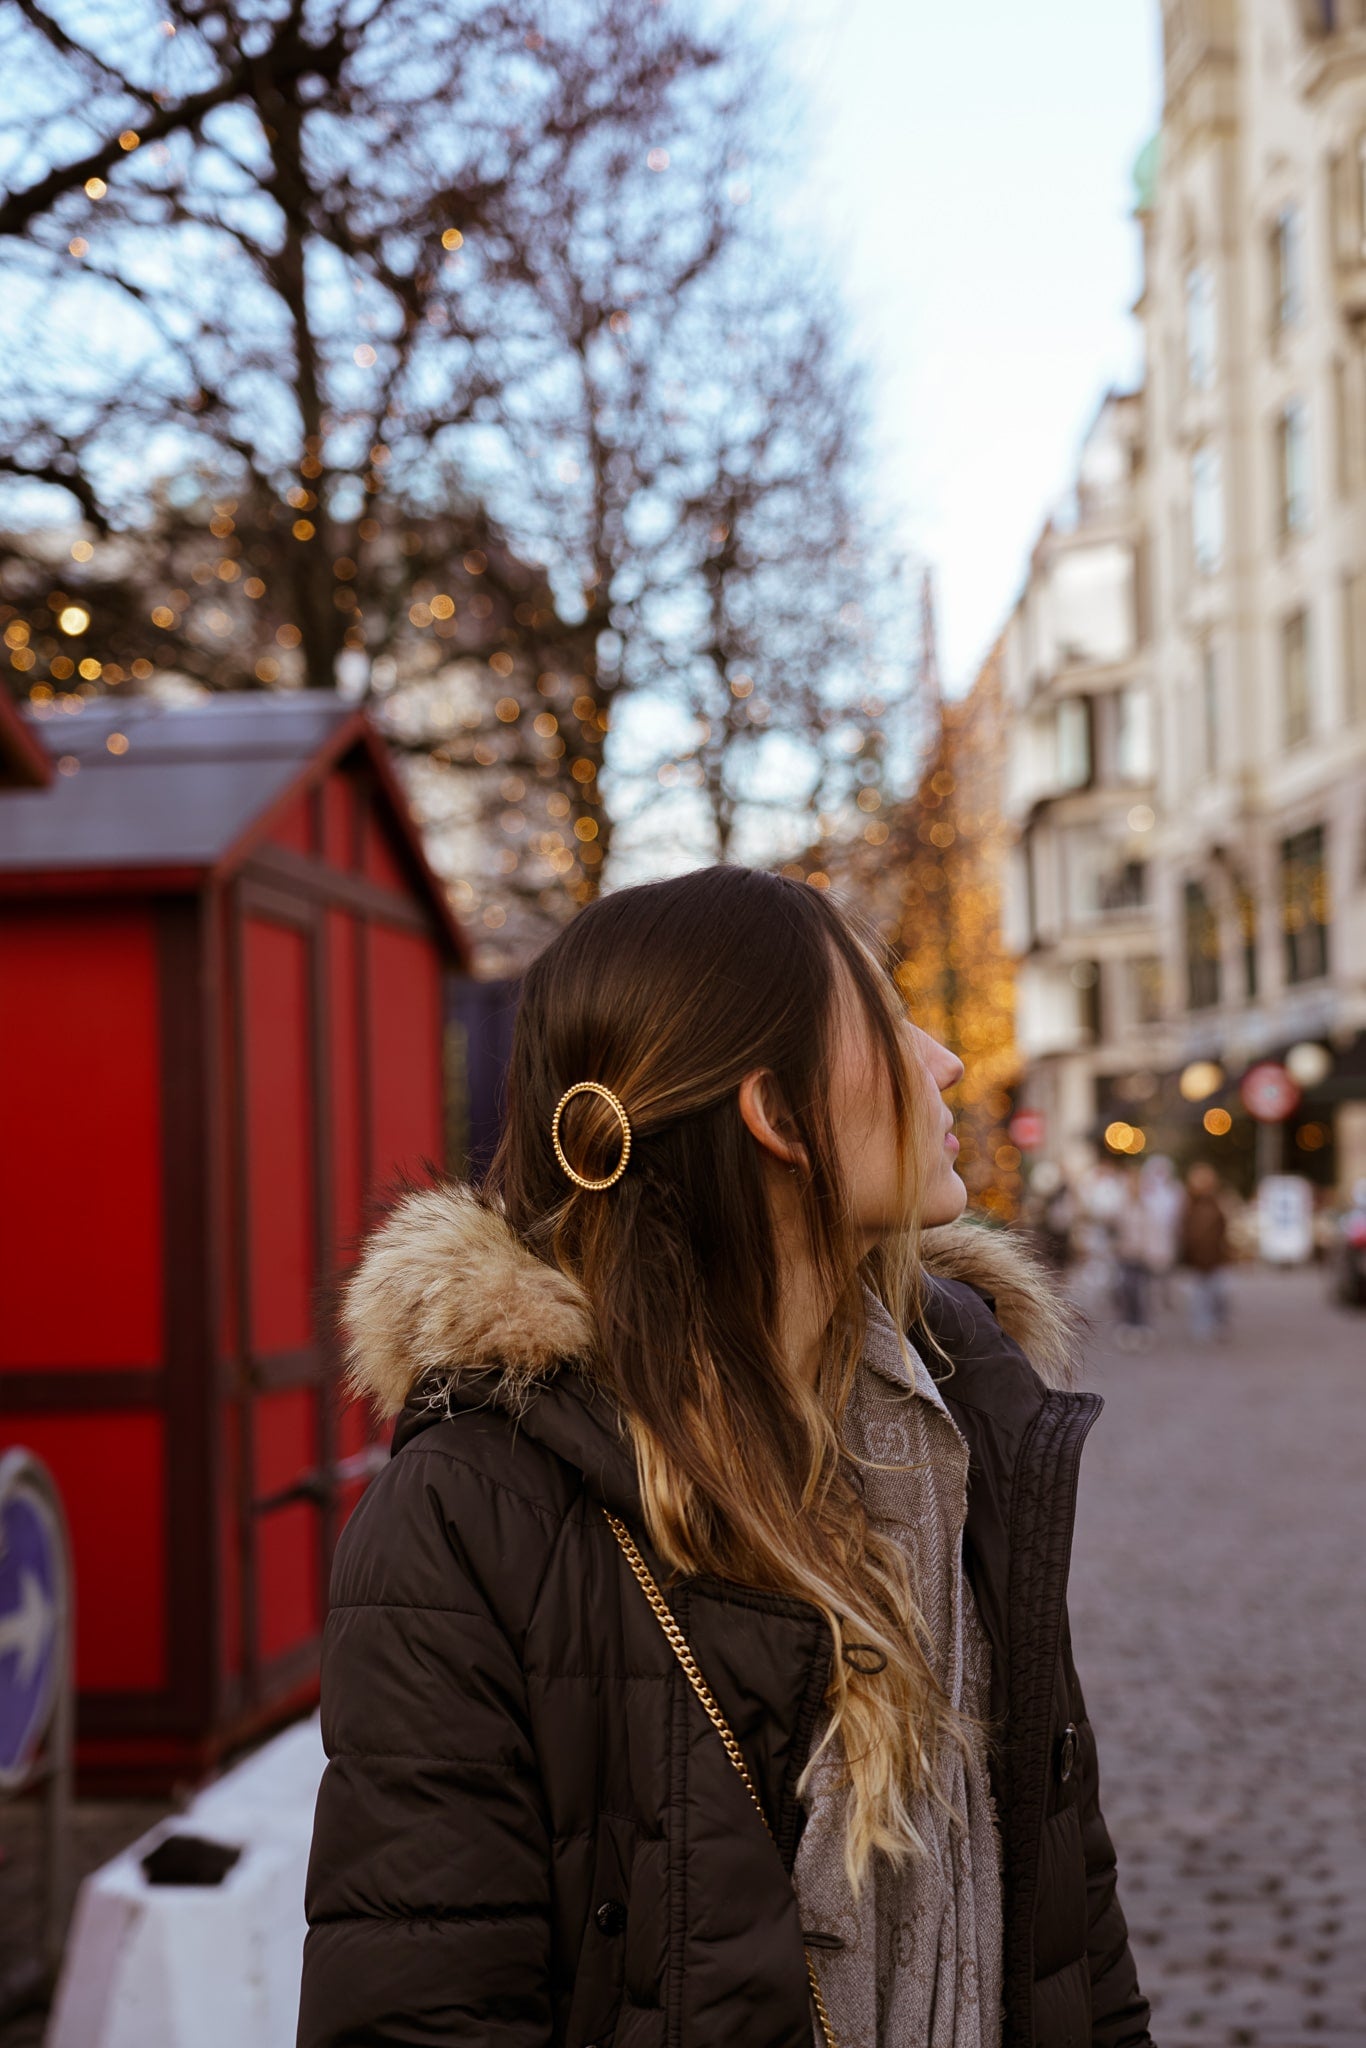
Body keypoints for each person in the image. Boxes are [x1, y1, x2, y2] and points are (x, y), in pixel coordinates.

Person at [299, 866, 1152, 2048]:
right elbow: (419, 2009)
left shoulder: (969, 1418)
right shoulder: (469, 1509)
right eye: (886, 1020)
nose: (944, 1060)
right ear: (774, 1112)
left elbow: (1068, 1916)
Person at [1179, 1160, 1232, 1341]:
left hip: (1215, 1257)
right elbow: (1185, 1232)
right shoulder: (1188, 1204)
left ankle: (1217, 1324)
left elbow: (1223, 1228)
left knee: (1219, 1294)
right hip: (1199, 1259)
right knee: (1200, 1297)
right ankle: (1203, 1327)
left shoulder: (1217, 1202)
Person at [1113, 1166, 1157, 1349]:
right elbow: (1114, 1230)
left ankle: (1141, 1325)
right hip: (1125, 1255)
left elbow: (1151, 1232)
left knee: (1141, 1293)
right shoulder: (1121, 1207)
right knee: (1126, 1291)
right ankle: (1128, 1324)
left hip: (1141, 1256)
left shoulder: (1146, 1207)